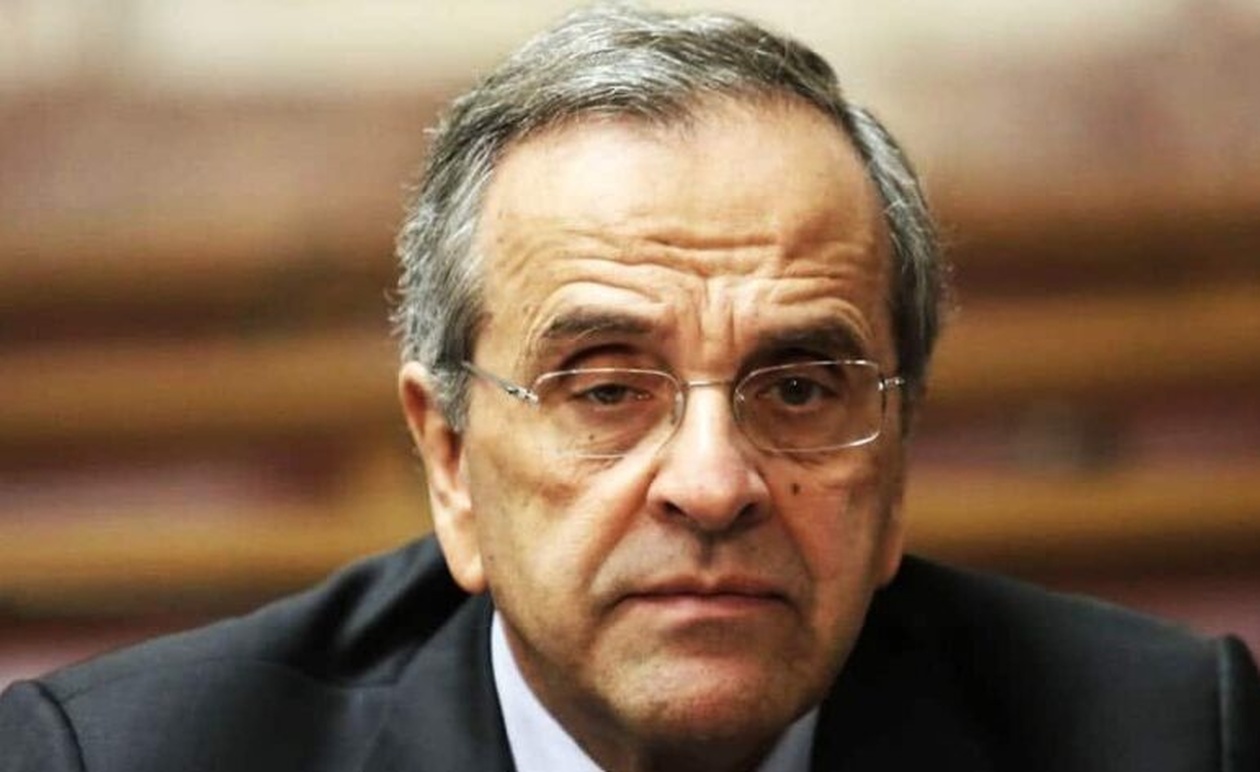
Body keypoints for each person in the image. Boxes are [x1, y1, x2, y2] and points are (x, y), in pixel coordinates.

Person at [1, 5, 1257, 771]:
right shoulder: (122, 760)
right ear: (451, 463)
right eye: (605, 390)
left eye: (800, 389)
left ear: (899, 454)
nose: (712, 484)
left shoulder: (1164, 737)